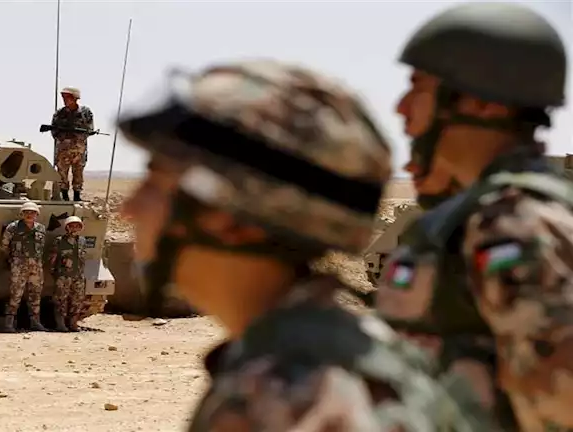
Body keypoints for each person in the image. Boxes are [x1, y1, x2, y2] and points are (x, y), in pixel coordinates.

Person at [117, 59, 492, 430]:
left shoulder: (292, 398)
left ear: (229, 218)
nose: (128, 209)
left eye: (155, 181)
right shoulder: (339, 353)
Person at [373, 3, 573, 430]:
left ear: (483, 104)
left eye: (418, 89)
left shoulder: (513, 222)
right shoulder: (481, 213)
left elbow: (559, 402)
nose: (401, 108)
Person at [0, 201, 48, 332]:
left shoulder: (41, 229)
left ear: (37, 215)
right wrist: (13, 259)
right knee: (15, 294)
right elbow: (4, 246)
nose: (29, 215)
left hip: (36, 266)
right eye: (26, 212)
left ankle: (35, 322)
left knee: (35, 295)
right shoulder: (13, 228)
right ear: (22, 214)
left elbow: (41, 247)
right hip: (19, 266)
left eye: (32, 213)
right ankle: (9, 322)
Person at [50, 86, 95, 202]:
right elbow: (54, 131)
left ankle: (77, 195)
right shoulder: (59, 113)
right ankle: (64, 195)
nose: (65, 100)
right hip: (63, 149)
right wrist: (64, 136)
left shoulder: (85, 112)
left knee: (78, 172)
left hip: (78, 149)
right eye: (64, 97)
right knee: (62, 173)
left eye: (68, 97)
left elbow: (89, 130)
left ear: (75, 98)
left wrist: (76, 135)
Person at [48, 216, 87, 332]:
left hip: (78, 275)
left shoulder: (82, 241)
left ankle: (73, 323)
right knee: (60, 300)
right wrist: (55, 273)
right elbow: (52, 259)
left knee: (77, 300)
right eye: (72, 226)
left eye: (77, 226)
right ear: (67, 227)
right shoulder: (59, 240)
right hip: (63, 275)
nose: (74, 228)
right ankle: (60, 324)